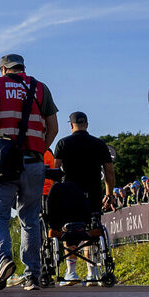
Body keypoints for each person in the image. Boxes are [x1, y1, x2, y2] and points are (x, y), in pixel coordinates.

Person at [0, 53, 58, 291]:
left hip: (3, 161)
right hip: (34, 161)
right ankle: (32, 275)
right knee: (30, 219)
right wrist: (39, 149)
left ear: (3, 69)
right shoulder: (41, 88)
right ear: (23, 68)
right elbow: (53, 128)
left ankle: (4, 260)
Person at [53, 111, 114, 282]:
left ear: (71, 125)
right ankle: (92, 272)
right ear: (86, 124)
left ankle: (71, 271)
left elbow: (55, 172)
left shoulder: (63, 143)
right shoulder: (99, 144)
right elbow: (109, 172)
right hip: (93, 193)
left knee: (69, 229)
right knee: (92, 228)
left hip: (70, 195)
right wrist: (109, 194)